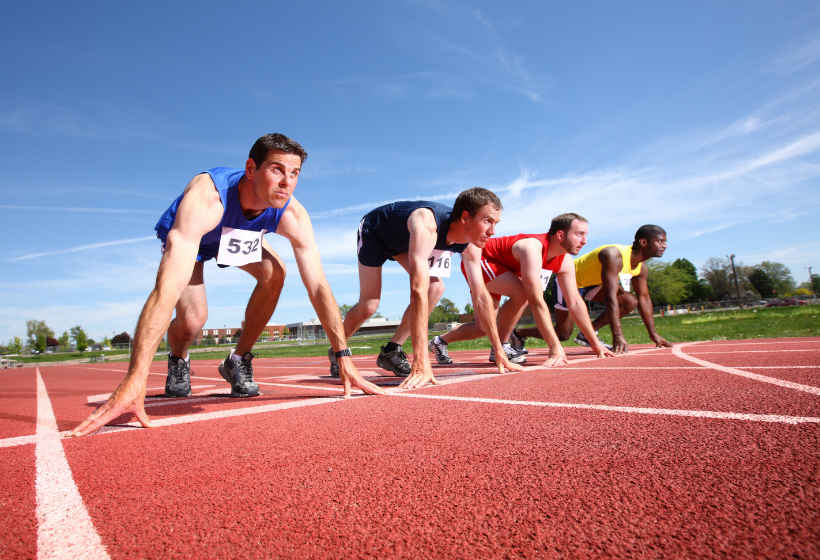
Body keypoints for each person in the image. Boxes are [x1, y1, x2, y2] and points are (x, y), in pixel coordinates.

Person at [68, 134, 384, 437]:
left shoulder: (292, 213)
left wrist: (343, 356)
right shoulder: (207, 198)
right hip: (196, 236)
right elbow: (167, 288)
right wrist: (135, 378)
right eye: (277, 170)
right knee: (193, 322)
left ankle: (237, 360)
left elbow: (317, 286)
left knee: (275, 273)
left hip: (234, 236)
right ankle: (178, 358)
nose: (286, 182)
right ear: (251, 169)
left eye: (295, 173)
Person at [327, 189, 525, 388]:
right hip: (376, 232)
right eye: (488, 221)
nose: (493, 231)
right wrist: (421, 360)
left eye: (496, 223)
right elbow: (417, 291)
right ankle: (337, 348)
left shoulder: (472, 244)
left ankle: (392, 349)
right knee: (369, 305)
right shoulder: (427, 225)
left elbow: (481, 295)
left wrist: (499, 350)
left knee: (435, 288)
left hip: (405, 240)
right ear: (465, 217)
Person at [429, 213, 614, 366]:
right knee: (524, 292)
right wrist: (554, 346)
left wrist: (595, 343)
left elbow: (575, 302)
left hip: (504, 271)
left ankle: (439, 341)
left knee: (483, 328)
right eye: (580, 234)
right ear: (560, 235)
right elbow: (535, 300)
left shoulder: (565, 261)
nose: (585, 241)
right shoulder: (532, 247)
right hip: (482, 259)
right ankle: (502, 345)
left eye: (585, 235)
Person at [514, 224, 673, 354]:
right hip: (569, 281)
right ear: (643, 242)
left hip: (593, 286)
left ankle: (587, 334)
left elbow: (644, 298)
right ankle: (518, 333)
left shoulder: (641, 267)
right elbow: (610, 297)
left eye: (665, 241)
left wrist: (654, 334)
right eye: (660, 241)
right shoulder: (613, 254)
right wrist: (617, 336)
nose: (665, 246)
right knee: (563, 333)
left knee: (630, 301)